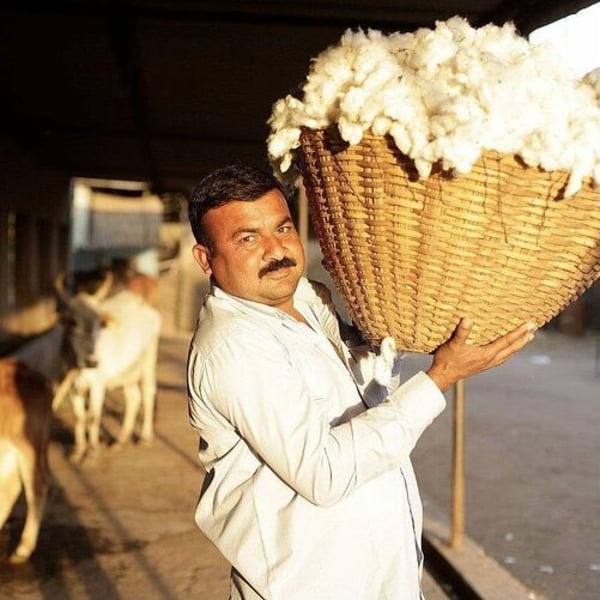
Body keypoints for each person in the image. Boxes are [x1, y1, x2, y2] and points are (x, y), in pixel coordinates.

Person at [186, 164, 535, 600]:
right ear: (205, 258)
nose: (276, 250)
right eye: (247, 239)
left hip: (377, 579)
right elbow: (325, 473)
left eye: (283, 228)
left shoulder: (309, 300)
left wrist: (403, 329)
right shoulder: (234, 347)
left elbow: (368, 396)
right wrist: (440, 377)